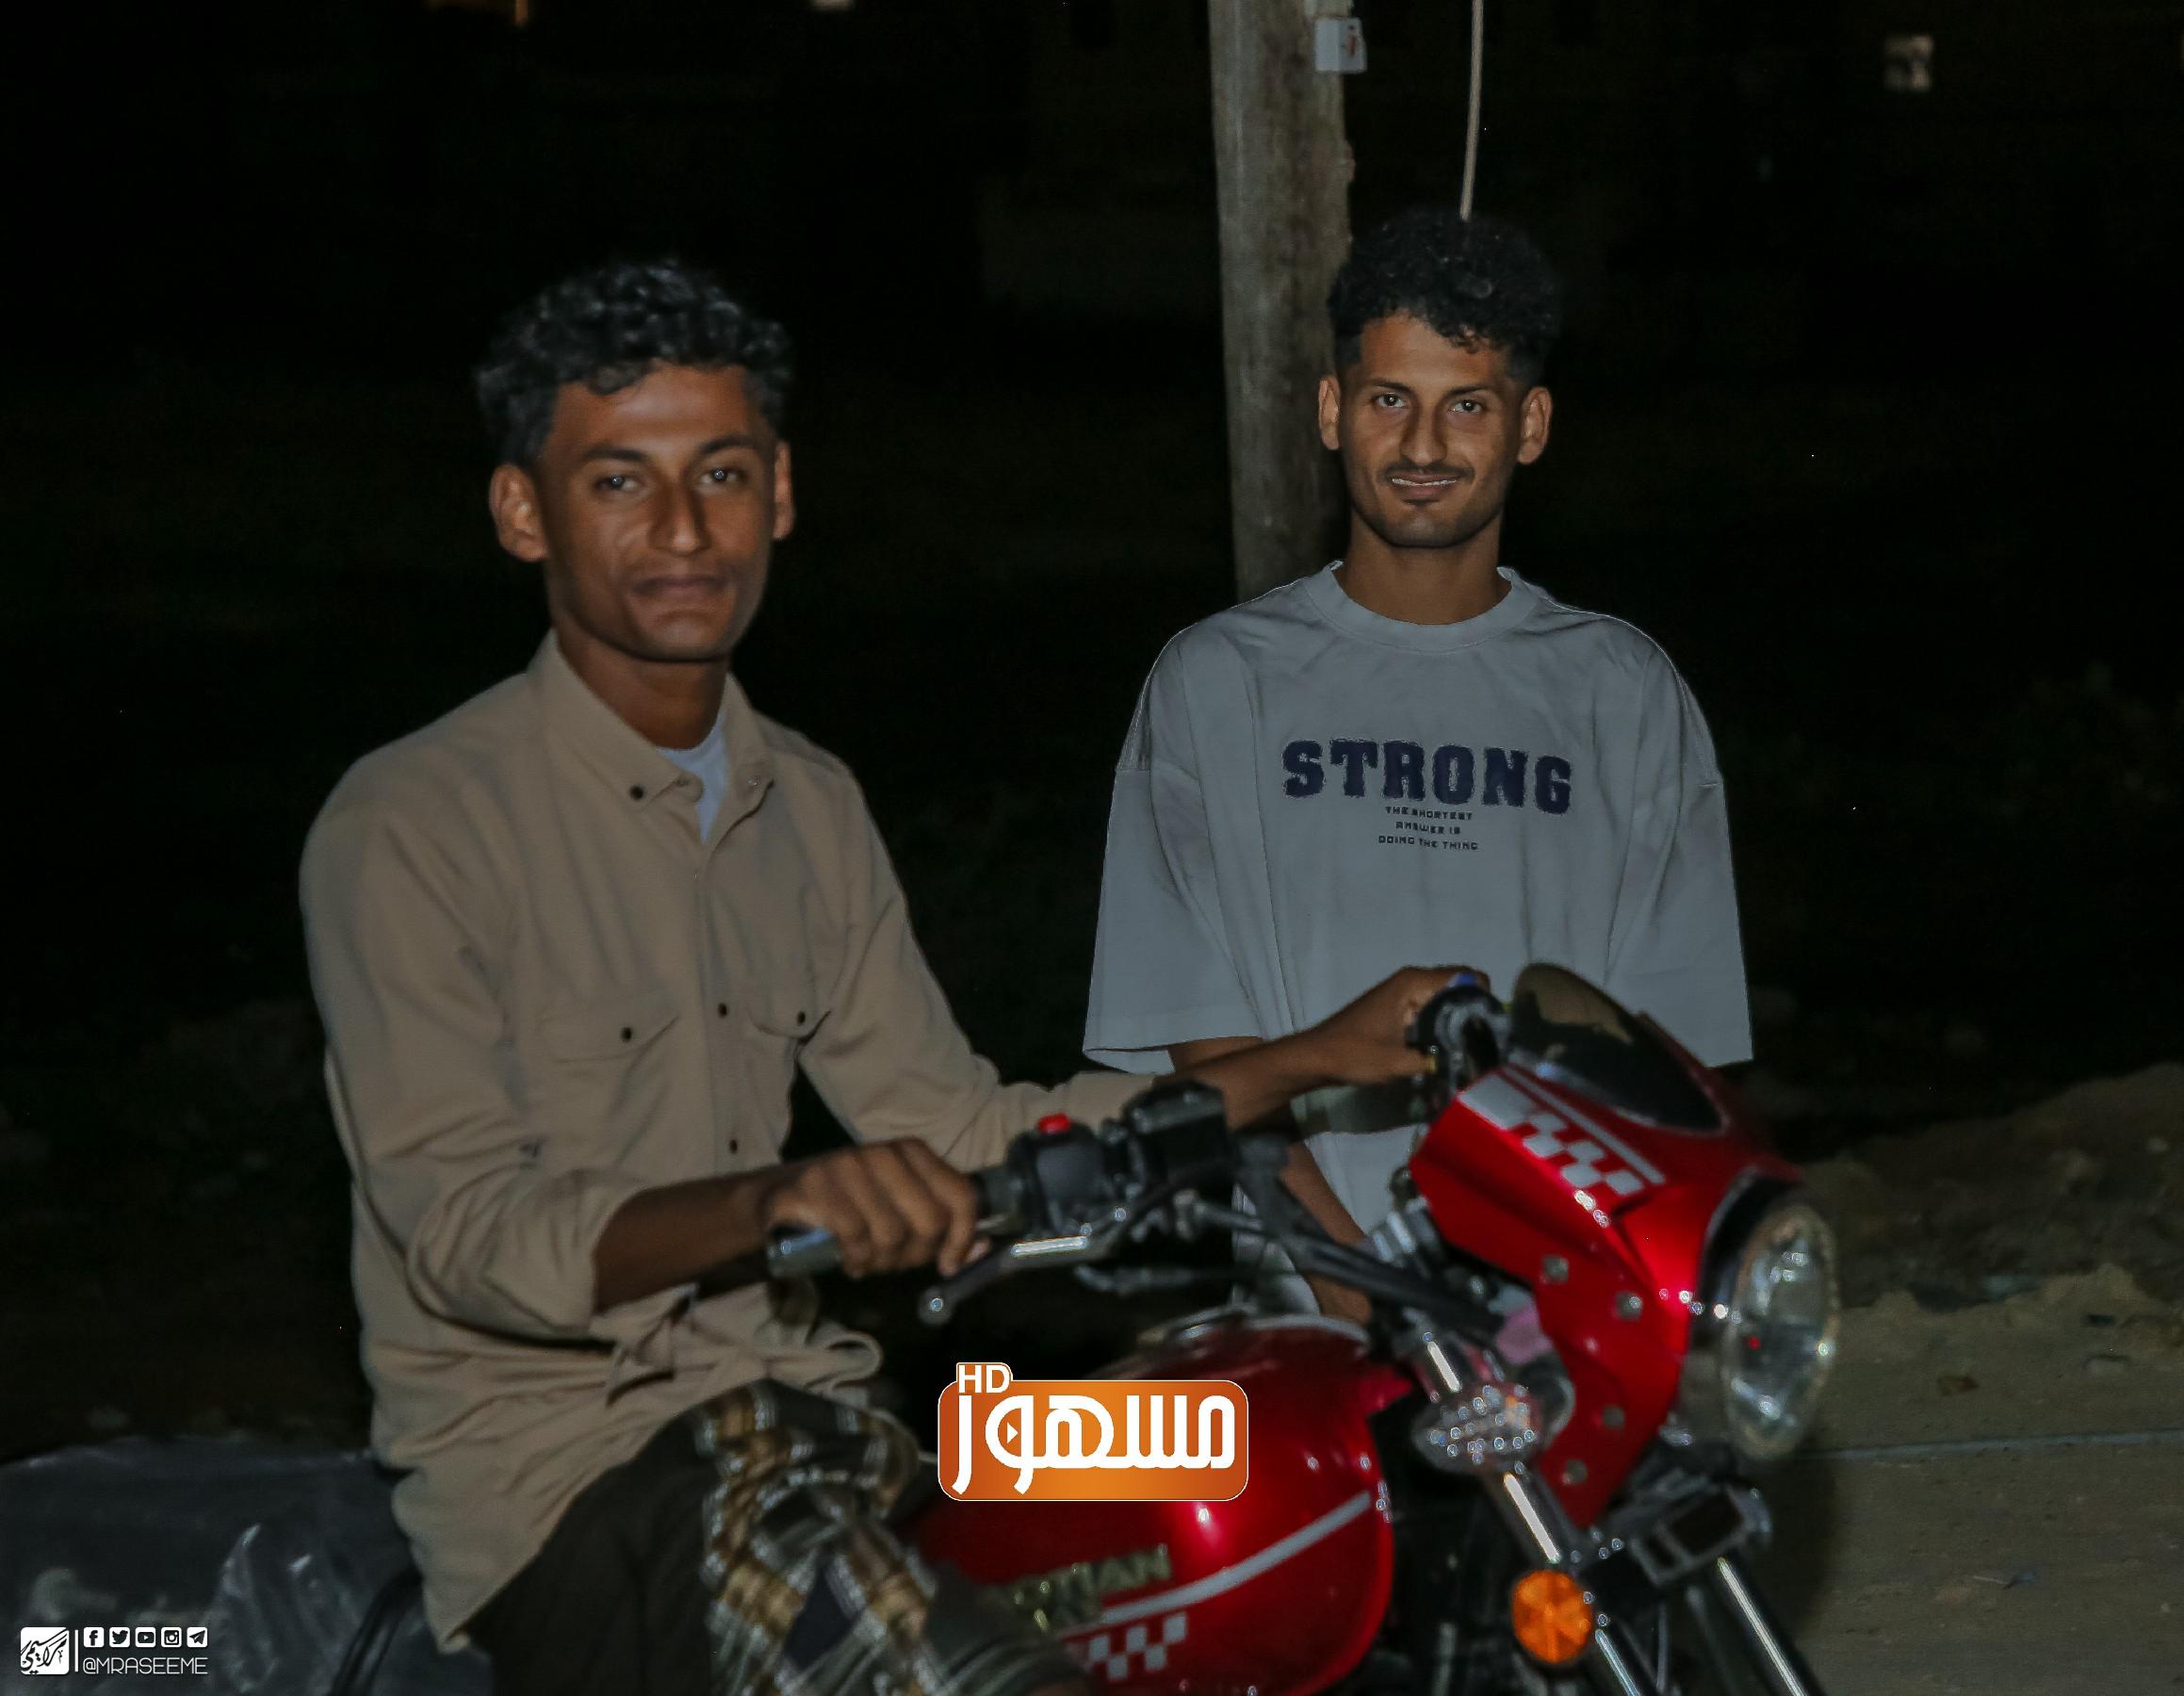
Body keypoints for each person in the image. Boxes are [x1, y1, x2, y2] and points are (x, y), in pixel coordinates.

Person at [300, 258, 1458, 1696]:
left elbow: (958, 1124)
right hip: (587, 1496)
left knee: (1292, 1457)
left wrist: (1301, 1062)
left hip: (849, 1430)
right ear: (522, 512)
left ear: (779, 492)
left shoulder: (808, 804)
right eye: (618, 482)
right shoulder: (413, 823)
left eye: (721, 474)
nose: (683, 528)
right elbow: (469, 1234)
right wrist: (770, 1202)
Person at [1084, 209, 1752, 1320]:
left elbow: (1667, 1059)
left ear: (1530, 424)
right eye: (1389, 399)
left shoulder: (1621, 692)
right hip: (1292, 1306)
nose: (1425, 446)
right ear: (1330, 410)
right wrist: (1354, 1290)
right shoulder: (1215, 682)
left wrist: (1554, 1296)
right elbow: (1205, 1042)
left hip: (1551, 1305)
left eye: (1468, 405)